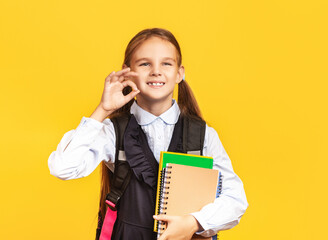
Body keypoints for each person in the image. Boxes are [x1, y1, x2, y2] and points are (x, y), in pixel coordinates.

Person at [48, 28, 248, 240]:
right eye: (145, 63)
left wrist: (194, 222)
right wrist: (103, 109)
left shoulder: (203, 135)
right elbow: (63, 167)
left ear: (179, 73)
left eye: (166, 63)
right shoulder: (113, 131)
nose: (156, 71)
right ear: (127, 71)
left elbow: (236, 199)